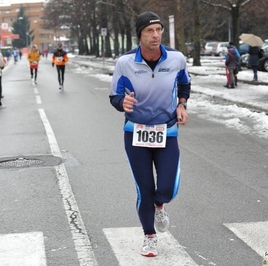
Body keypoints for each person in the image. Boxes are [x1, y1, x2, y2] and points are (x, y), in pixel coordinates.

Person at [109, 11, 191, 257]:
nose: (155, 35)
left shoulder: (176, 59)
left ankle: (160, 205)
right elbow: (114, 96)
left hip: (167, 130)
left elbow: (184, 83)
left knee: (166, 188)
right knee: (144, 188)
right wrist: (123, 102)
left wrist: (182, 104)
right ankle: (149, 236)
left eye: (159, 30)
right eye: (149, 31)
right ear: (140, 34)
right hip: (136, 132)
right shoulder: (125, 63)